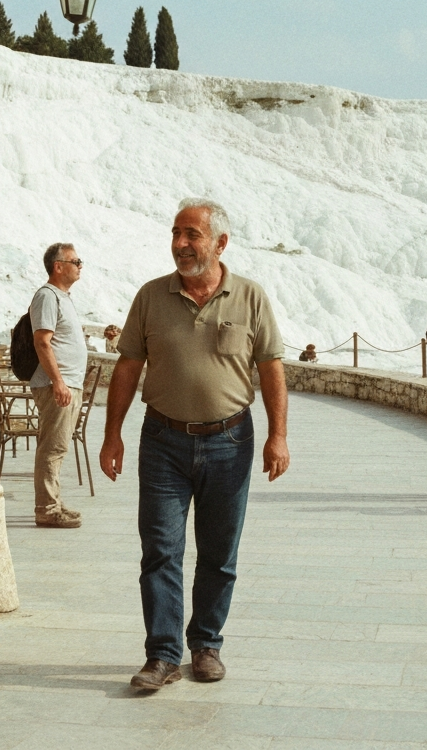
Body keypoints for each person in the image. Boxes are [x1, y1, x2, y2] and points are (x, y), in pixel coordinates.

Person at [99, 197, 290, 691]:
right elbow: (127, 367)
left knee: (219, 551)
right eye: (176, 234)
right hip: (163, 440)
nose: (181, 245)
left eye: (192, 235)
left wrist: (279, 436)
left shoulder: (250, 297)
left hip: (230, 441)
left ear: (220, 243)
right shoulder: (150, 296)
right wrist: (112, 433)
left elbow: (271, 368)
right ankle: (162, 654)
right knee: (160, 548)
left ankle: (206, 646)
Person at [28, 243, 89, 528]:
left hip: (67, 383)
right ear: (58, 266)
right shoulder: (47, 296)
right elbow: (42, 341)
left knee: (58, 445)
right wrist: (58, 382)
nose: (80, 265)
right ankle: (47, 508)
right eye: (75, 261)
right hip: (58, 385)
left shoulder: (62, 297)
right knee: (52, 446)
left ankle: (53, 501)